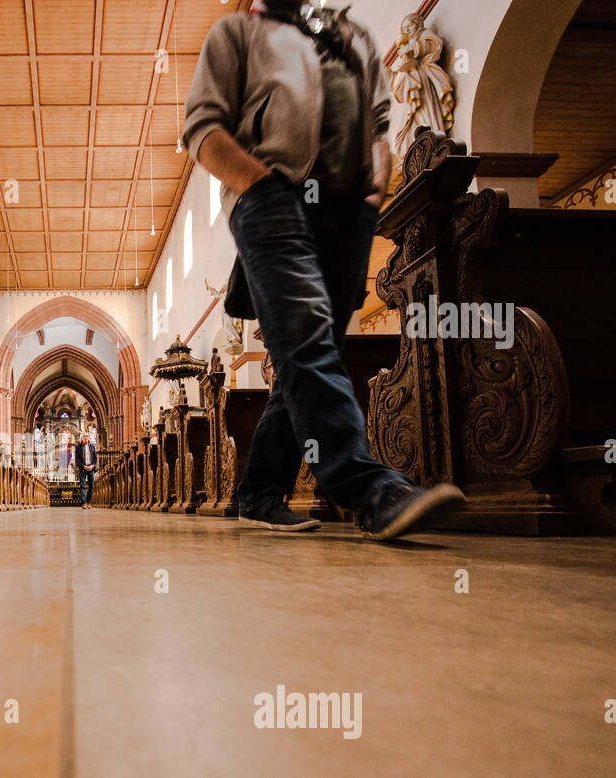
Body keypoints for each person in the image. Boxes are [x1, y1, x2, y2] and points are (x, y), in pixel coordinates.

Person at [184, 0, 464, 539]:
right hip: (271, 198)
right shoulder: (236, 34)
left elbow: (381, 130)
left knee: (310, 356)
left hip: (348, 212)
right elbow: (203, 131)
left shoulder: (353, 35)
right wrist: (261, 185)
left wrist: (371, 199)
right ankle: (369, 489)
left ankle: (259, 492)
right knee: (309, 342)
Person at [76, 436, 98, 509]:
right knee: (82, 486)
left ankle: (89, 502)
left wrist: (93, 466)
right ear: (82, 438)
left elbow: (95, 458)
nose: (85, 439)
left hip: (91, 468)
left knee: (91, 486)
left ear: (88, 438)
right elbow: (77, 459)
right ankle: (84, 503)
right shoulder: (78, 447)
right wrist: (83, 466)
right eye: (84, 437)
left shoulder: (92, 447)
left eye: (87, 437)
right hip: (83, 468)